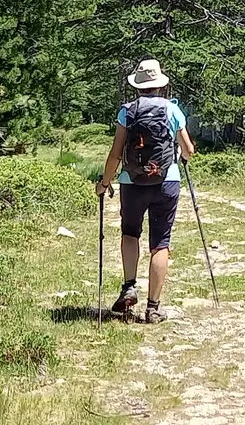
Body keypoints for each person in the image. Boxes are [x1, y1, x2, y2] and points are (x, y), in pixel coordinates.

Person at [97, 59, 196, 324]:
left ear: (138, 86)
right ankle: (153, 308)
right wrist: (181, 156)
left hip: (132, 182)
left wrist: (105, 183)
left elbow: (116, 153)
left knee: (130, 234)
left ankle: (129, 286)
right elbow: (188, 150)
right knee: (160, 244)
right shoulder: (173, 110)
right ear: (160, 85)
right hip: (167, 182)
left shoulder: (127, 112)